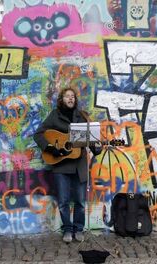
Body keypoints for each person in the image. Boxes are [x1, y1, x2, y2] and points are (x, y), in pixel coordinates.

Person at [34, 87, 101, 243]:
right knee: (63, 202)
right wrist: (51, 148)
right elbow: (38, 134)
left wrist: (96, 148)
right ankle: (67, 230)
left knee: (80, 201)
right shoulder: (54, 116)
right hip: (61, 165)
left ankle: (78, 229)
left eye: (72, 96)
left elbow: (89, 139)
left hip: (79, 166)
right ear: (61, 99)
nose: (70, 98)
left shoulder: (82, 116)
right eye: (67, 96)